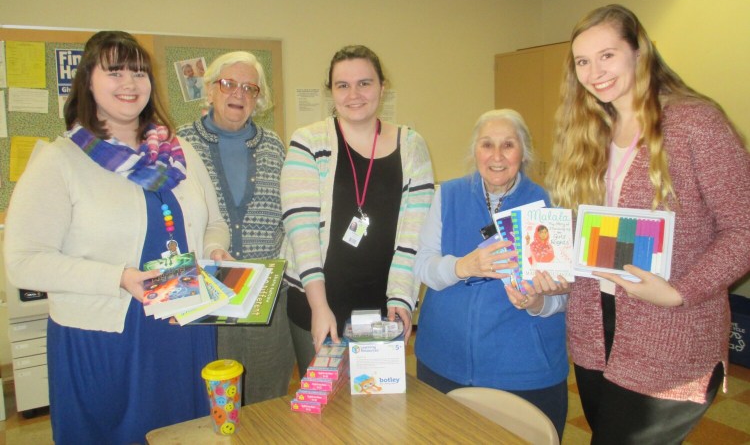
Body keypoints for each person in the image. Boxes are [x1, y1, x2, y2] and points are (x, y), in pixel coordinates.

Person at [3, 31, 231, 444]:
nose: (130, 83)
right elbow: (23, 261)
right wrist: (118, 276)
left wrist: (215, 249)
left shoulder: (178, 152)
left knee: (188, 431)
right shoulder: (61, 161)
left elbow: (214, 222)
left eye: (139, 72)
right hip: (108, 337)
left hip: (184, 327)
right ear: (88, 81)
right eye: (115, 71)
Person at [545, 4, 750, 444]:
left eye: (607, 55)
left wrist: (679, 292)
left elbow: (744, 229)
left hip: (671, 332)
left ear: (640, 52)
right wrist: (548, 269)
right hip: (594, 330)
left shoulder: (695, 123)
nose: (594, 72)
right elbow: (580, 231)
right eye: (582, 61)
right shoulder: (590, 131)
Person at [413, 109, 569, 440]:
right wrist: (463, 266)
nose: (496, 156)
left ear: (524, 152)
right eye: (487, 145)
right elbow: (423, 265)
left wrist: (538, 301)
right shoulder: (448, 195)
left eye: (508, 145)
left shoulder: (548, 203)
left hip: (523, 372)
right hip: (443, 361)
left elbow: (563, 295)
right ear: (475, 151)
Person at [281, 44, 434, 371]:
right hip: (319, 303)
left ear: (382, 86)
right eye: (343, 85)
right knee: (326, 411)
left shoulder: (411, 145)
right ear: (331, 92)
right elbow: (301, 231)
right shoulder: (308, 142)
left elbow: (414, 234)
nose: (355, 94)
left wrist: (400, 300)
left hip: (383, 309)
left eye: (365, 83)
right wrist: (319, 307)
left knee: (378, 410)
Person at [177, 51, 295, 404]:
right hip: (204, 292)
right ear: (209, 90)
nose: (238, 94)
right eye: (228, 84)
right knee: (209, 397)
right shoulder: (179, 145)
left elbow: (290, 217)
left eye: (249, 88)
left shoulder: (275, 146)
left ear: (258, 99)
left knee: (266, 397)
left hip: (265, 294)